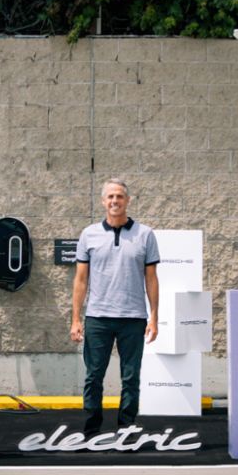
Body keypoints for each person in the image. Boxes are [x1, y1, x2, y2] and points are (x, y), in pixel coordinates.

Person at [70, 178, 160, 434]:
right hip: (98, 317)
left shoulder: (145, 235)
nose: (115, 201)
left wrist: (154, 317)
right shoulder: (89, 235)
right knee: (93, 377)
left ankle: (127, 427)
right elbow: (80, 280)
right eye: (110, 197)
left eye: (119, 196)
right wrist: (76, 319)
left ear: (127, 201)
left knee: (130, 378)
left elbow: (151, 279)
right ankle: (91, 429)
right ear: (103, 201)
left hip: (133, 318)